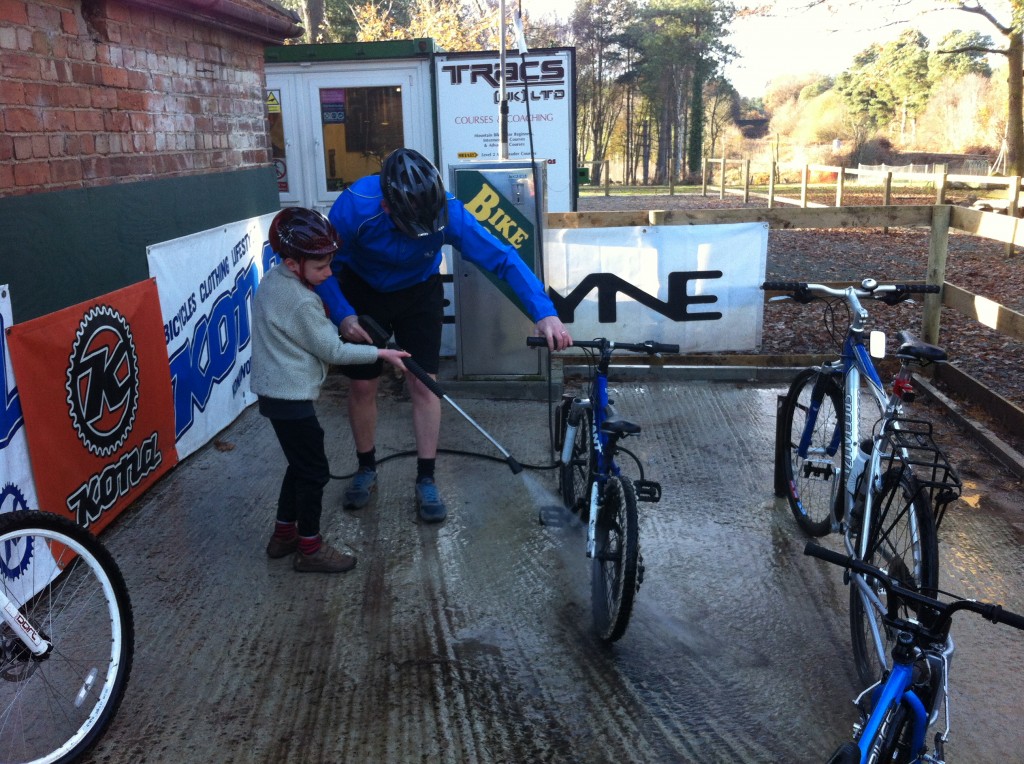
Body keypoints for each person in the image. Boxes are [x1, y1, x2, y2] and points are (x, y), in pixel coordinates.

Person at [314, 147, 572, 523]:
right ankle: (366, 467)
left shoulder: (448, 209)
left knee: (425, 384)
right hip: (363, 296)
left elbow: (501, 257)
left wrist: (544, 313)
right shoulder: (354, 209)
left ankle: (426, 476)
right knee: (363, 386)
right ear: (387, 208)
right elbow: (327, 267)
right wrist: (342, 314)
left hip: (419, 293)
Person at [251, 207, 410, 573]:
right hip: (290, 397)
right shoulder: (302, 301)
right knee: (315, 472)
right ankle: (310, 548)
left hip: (275, 394)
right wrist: (381, 352)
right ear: (293, 264)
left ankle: (283, 536)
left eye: (330, 265)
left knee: (300, 464)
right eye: (321, 267)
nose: (328, 274)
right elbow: (334, 350)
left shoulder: (274, 282)